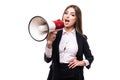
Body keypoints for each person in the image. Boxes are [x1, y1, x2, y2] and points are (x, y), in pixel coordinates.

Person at [44, 4, 94, 80]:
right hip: (56, 74)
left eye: (72, 15)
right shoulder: (55, 34)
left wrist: (81, 62)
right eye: (66, 13)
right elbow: (48, 59)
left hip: (75, 75)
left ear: (77, 19)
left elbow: (90, 57)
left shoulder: (82, 38)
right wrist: (49, 43)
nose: (67, 16)